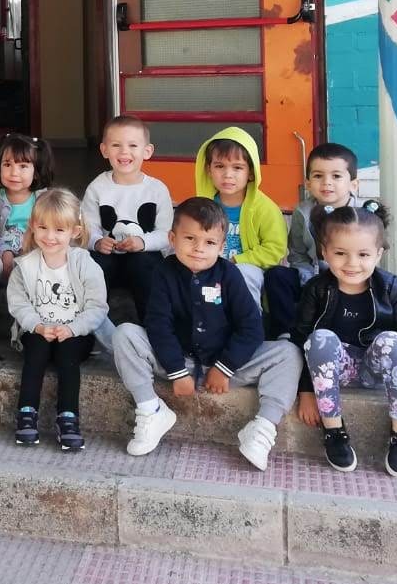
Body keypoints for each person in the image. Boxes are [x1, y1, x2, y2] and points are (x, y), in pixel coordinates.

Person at [112, 197, 302, 471]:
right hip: (177, 361)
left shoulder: (230, 275)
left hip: (227, 366)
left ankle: (262, 427)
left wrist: (225, 367)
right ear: (172, 239)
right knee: (125, 334)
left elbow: (252, 328)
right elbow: (158, 325)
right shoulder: (163, 272)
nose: (199, 248)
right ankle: (151, 410)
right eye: (190, 238)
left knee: (288, 353)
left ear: (222, 247)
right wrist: (177, 371)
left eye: (210, 242)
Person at [293, 202, 397, 477]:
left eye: (363, 254)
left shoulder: (389, 286)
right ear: (324, 251)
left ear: (378, 254)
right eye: (340, 253)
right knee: (319, 338)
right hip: (336, 369)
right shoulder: (316, 289)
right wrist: (306, 390)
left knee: (394, 341)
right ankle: (334, 431)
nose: (352, 263)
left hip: (376, 368)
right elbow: (301, 340)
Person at [7, 189, 108, 451]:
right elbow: (18, 304)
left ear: (75, 231)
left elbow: (97, 307)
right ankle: (26, 412)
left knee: (67, 355)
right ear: (32, 226)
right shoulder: (25, 266)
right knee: (36, 351)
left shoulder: (85, 264)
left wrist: (73, 328)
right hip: (38, 331)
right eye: (43, 228)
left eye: (59, 230)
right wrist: (38, 326)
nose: (50, 237)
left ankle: (68, 417)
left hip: (75, 334)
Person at [261, 142, 363, 340]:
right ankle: (285, 334)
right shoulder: (302, 212)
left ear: (353, 184)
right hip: (311, 276)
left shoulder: (362, 216)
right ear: (308, 183)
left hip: (348, 278)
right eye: (318, 176)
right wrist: (308, 279)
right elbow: (298, 253)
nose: (326, 183)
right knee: (277, 275)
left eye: (336, 176)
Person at [80, 114, 174, 325]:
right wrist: (97, 241)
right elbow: (87, 227)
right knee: (92, 266)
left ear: (147, 151)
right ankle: (91, 325)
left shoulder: (156, 189)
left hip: (144, 256)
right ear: (104, 150)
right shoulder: (97, 187)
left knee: (147, 267)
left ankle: (153, 327)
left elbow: (167, 234)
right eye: (116, 145)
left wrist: (143, 242)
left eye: (133, 145)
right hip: (108, 255)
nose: (124, 152)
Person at [193, 126, 286, 307]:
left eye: (237, 167)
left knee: (242, 275)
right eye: (219, 166)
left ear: (250, 172)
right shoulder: (202, 207)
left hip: (249, 268)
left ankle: (249, 322)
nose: (228, 175)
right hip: (209, 264)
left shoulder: (265, 209)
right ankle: (205, 320)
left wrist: (236, 260)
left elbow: (275, 249)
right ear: (208, 169)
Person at [0, 132, 54, 306]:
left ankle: (32, 316)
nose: (14, 172)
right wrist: (3, 250)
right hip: (1, 260)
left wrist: (31, 251)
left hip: (33, 260)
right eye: (7, 164)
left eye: (23, 166)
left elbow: (55, 233)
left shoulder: (44, 201)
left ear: (36, 171)